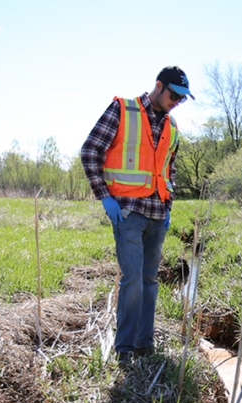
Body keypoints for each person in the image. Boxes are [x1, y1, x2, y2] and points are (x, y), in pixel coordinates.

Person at [80, 66, 192, 368]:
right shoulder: (123, 109)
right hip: (128, 213)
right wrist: (104, 197)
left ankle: (145, 344)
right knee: (133, 281)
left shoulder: (173, 125)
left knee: (149, 280)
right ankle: (125, 348)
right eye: (174, 95)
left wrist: (169, 205)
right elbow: (90, 151)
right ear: (158, 86)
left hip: (158, 214)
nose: (176, 102)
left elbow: (169, 168)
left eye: (183, 99)